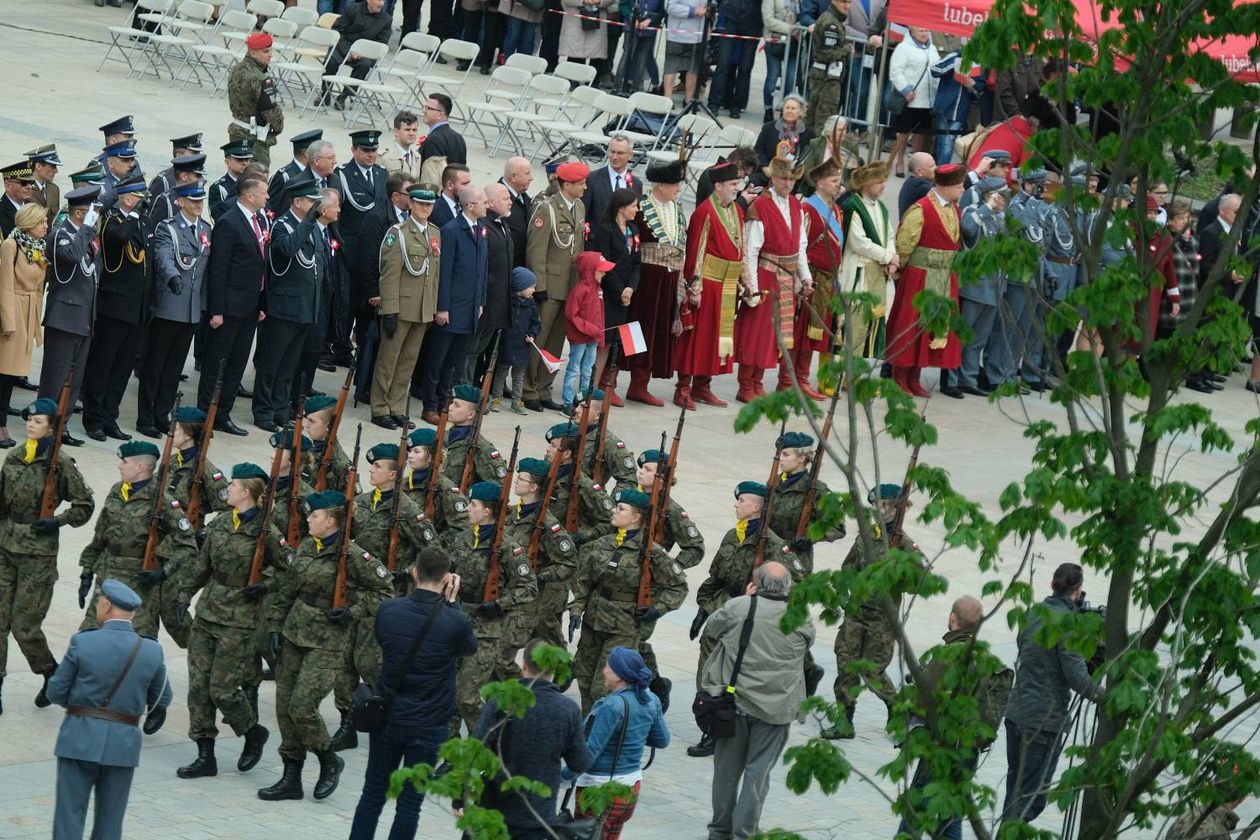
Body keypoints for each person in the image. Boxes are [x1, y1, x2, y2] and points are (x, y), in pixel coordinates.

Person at [258, 490, 393, 802]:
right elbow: (287, 590)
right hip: (294, 634)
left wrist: (353, 612)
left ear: (331, 521)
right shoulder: (307, 546)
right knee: (284, 707)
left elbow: (384, 591)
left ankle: (329, 759)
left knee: (302, 707)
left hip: (328, 641)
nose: (307, 520)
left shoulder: (355, 556)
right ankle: (291, 776)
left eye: (314, 516)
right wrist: (276, 625)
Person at [348, 547, 477, 839]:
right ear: (446, 578)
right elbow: (469, 648)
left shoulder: (389, 610)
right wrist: (454, 603)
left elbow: (383, 641)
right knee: (410, 804)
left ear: (415, 572)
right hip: (428, 723)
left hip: (389, 717)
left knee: (372, 795)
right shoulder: (455, 621)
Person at [174, 462, 281, 780]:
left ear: (246, 492)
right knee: (199, 688)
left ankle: (252, 732)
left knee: (222, 688)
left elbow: (288, 571)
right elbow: (202, 563)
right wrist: (183, 595)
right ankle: (204, 754)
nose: (227, 490)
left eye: (232, 486)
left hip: (241, 619)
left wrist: (265, 584)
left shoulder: (267, 532)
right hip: (208, 611)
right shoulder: (221, 522)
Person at [330, 442, 440, 752]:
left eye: (377, 467)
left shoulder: (407, 510)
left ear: (393, 473)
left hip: (384, 596)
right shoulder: (362, 503)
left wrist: (407, 571)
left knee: (370, 661)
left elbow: (432, 551)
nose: (372, 471)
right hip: (352, 592)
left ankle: (390, 718)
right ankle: (346, 722)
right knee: (344, 660)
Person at [47, 579, 172, 840]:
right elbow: (162, 697)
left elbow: (55, 692)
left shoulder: (83, 642)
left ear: (106, 604)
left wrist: (80, 708)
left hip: (79, 738)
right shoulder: (151, 649)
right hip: (122, 744)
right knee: (110, 821)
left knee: (69, 817)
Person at [702, 561, 814, 838]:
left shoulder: (740, 607)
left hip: (735, 705)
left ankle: (719, 831)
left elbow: (712, 630)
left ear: (756, 583)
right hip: (777, 711)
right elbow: (808, 644)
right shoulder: (800, 616)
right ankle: (744, 833)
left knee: (726, 774)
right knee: (757, 776)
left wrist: (746, 598)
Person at [0, 398, 94, 714]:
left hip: (37, 555)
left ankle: (50, 672)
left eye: (38, 421)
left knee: (24, 627)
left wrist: (57, 520)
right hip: (6, 547)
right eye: (29, 419)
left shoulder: (62, 464)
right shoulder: (14, 457)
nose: (30, 424)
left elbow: (84, 506)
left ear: (52, 428)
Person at [1001, 562, 1103, 825]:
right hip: (1043, 722)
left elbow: (1023, 644)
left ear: (1052, 584)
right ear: (1078, 591)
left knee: (1016, 792)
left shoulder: (1034, 612)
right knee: (1030, 799)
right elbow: (1078, 677)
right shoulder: (1068, 625)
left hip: (1017, 713)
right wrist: (1106, 696)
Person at [569, 489, 686, 713]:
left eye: (621, 508)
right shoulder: (603, 543)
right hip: (593, 621)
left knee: (602, 686)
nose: (614, 510)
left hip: (623, 626)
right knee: (583, 676)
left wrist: (657, 609)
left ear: (636, 517)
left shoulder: (652, 553)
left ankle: (600, 733)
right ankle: (588, 727)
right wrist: (576, 610)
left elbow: (677, 586)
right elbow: (584, 580)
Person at [820, 482, 921, 740]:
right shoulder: (866, 535)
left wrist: (902, 568)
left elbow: (917, 584)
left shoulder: (905, 545)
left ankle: (896, 709)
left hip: (882, 619)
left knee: (872, 671)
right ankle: (845, 720)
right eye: (875, 507)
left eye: (882, 507)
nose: (878, 512)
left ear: (894, 509)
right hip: (856, 612)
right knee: (846, 664)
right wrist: (842, 596)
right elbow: (848, 568)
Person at [78, 441, 200, 647]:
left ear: (140, 467)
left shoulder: (163, 502)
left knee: (138, 643)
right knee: (89, 636)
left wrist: (162, 573)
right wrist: (87, 571)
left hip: (140, 581)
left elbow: (188, 546)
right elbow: (100, 536)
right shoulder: (117, 490)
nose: (119, 466)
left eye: (124, 462)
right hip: (107, 576)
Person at [896, 595, 998, 840]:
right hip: (969, 750)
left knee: (916, 808)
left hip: (942, 748)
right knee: (950, 813)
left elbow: (924, 702)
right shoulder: (985, 658)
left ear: (953, 618)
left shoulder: (948, 655)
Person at [476, 638, 590, 838]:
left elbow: (476, 751)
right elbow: (579, 763)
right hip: (538, 812)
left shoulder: (500, 701)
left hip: (495, 806)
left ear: (523, 665)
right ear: (553, 670)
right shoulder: (568, 710)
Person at [447, 480, 537, 732]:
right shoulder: (463, 538)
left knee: (466, 696)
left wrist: (500, 604)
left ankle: (489, 744)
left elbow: (528, 587)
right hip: (458, 622)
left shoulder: (508, 548)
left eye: (473, 504)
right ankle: (453, 752)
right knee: (448, 695)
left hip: (487, 631)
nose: (467, 509)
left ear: (487, 511)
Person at [568, 646, 670, 838]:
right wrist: (634, 733)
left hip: (599, 790)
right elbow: (662, 740)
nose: (603, 670)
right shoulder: (651, 700)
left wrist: (564, 776)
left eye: (608, 666)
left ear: (619, 675)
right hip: (629, 790)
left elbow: (588, 754)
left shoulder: (611, 706)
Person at [253, 178, 328, 433]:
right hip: (284, 306)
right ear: (297, 202)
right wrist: (308, 222)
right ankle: (263, 410)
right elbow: (287, 249)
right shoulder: (282, 226)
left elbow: (318, 265)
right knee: (271, 364)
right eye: (311, 202)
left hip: (306, 306)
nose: (315, 207)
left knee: (289, 366)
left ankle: (280, 408)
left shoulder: (313, 227)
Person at [736, 156, 812, 402]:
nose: (788, 183)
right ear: (773, 178)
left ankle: (758, 382)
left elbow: (800, 245)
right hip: (766, 276)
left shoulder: (795, 206)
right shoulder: (760, 205)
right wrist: (753, 287)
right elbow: (750, 250)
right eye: (783, 178)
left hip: (787, 279)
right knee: (756, 332)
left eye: (792, 179)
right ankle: (745, 384)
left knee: (774, 334)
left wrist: (805, 277)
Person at [140, 181, 213, 438]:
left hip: (191, 310)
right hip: (169, 306)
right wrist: (173, 277)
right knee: (155, 365)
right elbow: (163, 256)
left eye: (200, 200)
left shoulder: (205, 229)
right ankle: (145, 417)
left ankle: (162, 414)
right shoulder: (168, 228)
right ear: (180, 201)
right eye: (192, 200)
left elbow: (206, 273)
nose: (198, 204)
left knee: (173, 369)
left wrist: (205, 307)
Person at [887, 162, 965, 397]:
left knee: (930, 328)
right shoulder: (920, 209)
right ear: (947, 187)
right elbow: (904, 243)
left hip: (943, 277)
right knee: (911, 325)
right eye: (959, 186)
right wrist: (900, 269)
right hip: (920, 276)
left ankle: (915, 376)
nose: (963, 190)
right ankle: (899, 376)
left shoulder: (953, 208)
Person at [201, 175, 269, 437]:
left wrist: (261, 303)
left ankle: (223, 415)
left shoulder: (258, 220)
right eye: (263, 193)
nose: (267, 197)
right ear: (249, 196)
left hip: (250, 307)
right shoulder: (229, 222)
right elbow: (219, 269)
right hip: (228, 308)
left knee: (237, 364)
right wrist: (216, 310)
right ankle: (205, 415)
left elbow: (260, 264)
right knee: (216, 364)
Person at [82, 176, 148, 443]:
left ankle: (110, 416)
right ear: (128, 198)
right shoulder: (111, 221)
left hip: (135, 308)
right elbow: (119, 239)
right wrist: (132, 215)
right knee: (103, 365)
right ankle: (94, 418)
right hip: (113, 306)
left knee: (121, 368)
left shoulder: (140, 223)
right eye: (139, 198)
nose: (144, 203)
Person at [675, 161, 744, 408]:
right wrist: (695, 287)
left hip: (728, 284)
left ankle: (703, 386)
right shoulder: (704, 212)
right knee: (697, 338)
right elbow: (696, 251)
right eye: (733, 184)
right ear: (718, 186)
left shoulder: (736, 210)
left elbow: (740, 246)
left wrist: (743, 282)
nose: (738, 188)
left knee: (718, 339)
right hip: (709, 284)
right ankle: (683, 387)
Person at [40, 185, 102, 448]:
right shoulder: (61, 235)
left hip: (85, 317)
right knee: (55, 378)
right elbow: (73, 257)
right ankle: (43, 427)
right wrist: (86, 228)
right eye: (91, 213)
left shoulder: (86, 236)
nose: (95, 218)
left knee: (73, 380)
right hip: (64, 316)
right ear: (80, 214)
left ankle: (61, 427)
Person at [524, 162, 589, 411]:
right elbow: (536, 249)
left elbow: (578, 247)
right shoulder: (546, 209)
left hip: (570, 285)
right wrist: (538, 284)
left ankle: (543, 387)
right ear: (567, 184)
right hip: (549, 285)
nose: (585, 187)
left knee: (555, 340)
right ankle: (529, 389)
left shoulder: (579, 206)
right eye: (581, 183)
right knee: (539, 339)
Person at [420, 185, 488, 419]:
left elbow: (482, 269)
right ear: (470, 205)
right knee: (437, 360)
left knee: (456, 363)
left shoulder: (480, 229)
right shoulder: (451, 230)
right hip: (451, 307)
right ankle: (430, 404)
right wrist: (442, 307)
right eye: (483, 202)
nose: (487, 205)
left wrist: (480, 301)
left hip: (469, 308)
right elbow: (445, 272)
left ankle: (447, 402)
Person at [373, 186, 440, 426]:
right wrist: (389, 310)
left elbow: (434, 275)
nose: (425, 209)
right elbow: (389, 274)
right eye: (421, 204)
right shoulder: (398, 233)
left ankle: (397, 406)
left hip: (421, 309)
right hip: (400, 308)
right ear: (410, 204)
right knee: (388, 360)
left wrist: (431, 308)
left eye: (429, 205)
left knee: (407, 362)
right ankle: (381, 408)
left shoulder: (434, 232)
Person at [628, 160, 689, 408]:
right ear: (661, 185)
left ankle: (640, 384)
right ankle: (611, 379)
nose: (679, 189)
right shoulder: (641, 207)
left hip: (669, 279)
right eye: (675, 184)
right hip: (645, 278)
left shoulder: (678, 209)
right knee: (636, 328)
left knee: (658, 333)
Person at [507, 458, 578, 647]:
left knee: (543, 632)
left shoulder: (547, 524)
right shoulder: (513, 514)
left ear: (533, 487)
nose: (516, 481)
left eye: (521, 479)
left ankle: (563, 666)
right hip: (513, 589)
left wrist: (540, 576)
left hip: (537, 595)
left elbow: (569, 563)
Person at [0, 205, 50, 444]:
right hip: (14, 311)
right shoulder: (12, 245)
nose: (46, 226)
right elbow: (5, 285)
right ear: (29, 222)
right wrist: (9, 322)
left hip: (28, 311)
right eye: (42, 222)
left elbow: (39, 288)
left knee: (13, 374)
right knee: (3, 372)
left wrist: (35, 324)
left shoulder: (38, 247)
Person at [957, 177, 1009, 396]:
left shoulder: (1000, 219)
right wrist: (988, 206)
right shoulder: (975, 211)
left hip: (994, 287)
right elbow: (968, 228)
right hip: (974, 286)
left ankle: (968, 378)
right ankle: (954, 378)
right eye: (1002, 195)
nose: (1006, 200)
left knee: (979, 338)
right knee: (963, 336)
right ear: (991, 195)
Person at [798, 158, 845, 397]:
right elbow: (801, 246)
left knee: (823, 331)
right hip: (813, 279)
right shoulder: (807, 208)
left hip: (831, 281)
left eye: (839, 180)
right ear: (820, 182)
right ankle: (799, 379)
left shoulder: (837, 210)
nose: (839, 185)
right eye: (834, 181)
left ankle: (808, 378)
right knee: (807, 332)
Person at [590, 188, 641, 404]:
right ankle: (590, 386)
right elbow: (605, 264)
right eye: (633, 206)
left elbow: (637, 263)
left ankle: (606, 384)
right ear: (621, 207)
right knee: (602, 341)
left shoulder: (634, 230)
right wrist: (620, 290)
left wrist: (630, 288)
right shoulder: (605, 230)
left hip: (626, 295)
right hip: (610, 294)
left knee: (614, 343)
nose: (637, 210)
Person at [466, 183, 516, 386]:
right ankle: (463, 392)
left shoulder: (502, 225)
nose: (510, 201)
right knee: (469, 350)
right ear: (492, 202)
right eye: (505, 198)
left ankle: (472, 388)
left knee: (479, 350)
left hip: (498, 304)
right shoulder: (482, 226)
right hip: (483, 302)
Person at [542, 421, 615, 547]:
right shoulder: (545, 472)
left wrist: (581, 536)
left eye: (553, 446)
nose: (548, 449)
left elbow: (610, 521)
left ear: (567, 454)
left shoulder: (583, 485)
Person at [320, 0, 393, 111]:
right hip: (344, 47)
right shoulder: (352, 9)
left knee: (365, 65)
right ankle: (325, 93)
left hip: (366, 53)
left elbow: (382, 43)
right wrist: (348, 51)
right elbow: (338, 31)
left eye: (383, 0)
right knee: (331, 60)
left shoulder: (386, 19)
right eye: (378, 0)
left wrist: (362, 53)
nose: (382, 4)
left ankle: (344, 96)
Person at [402, 427, 471, 544]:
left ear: (430, 456)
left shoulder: (444, 487)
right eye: (410, 451)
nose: (410, 455)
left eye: (416, 451)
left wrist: (436, 543)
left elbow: (463, 524)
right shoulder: (404, 483)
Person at [888, 27, 940, 178]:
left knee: (920, 133)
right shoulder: (903, 48)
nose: (925, 33)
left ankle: (916, 163)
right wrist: (905, 90)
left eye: (926, 31)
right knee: (903, 132)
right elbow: (895, 71)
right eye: (921, 31)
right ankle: (900, 162)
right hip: (910, 98)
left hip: (927, 99)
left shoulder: (933, 48)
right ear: (912, 31)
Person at [227, 33, 283, 170]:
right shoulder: (262, 79)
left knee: (238, 176)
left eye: (270, 50)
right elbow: (271, 112)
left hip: (236, 131)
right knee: (256, 180)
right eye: (265, 51)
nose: (270, 55)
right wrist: (278, 127)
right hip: (255, 139)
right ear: (252, 52)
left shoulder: (236, 70)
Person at [563, 252, 610, 407]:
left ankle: (583, 400)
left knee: (588, 370)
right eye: (600, 270)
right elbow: (571, 315)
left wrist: (600, 337)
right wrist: (591, 329)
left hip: (593, 339)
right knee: (574, 369)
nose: (604, 273)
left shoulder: (598, 290)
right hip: (580, 339)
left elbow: (601, 316)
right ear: (590, 270)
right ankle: (567, 402)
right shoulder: (580, 290)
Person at [494, 268, 542, 415]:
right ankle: (496, 398)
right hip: (507, 343)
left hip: (522, 345)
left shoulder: (531, 305)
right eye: (531, 287)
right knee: (501, 372)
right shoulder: (507, 303)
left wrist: (532, 334)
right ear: (520, 287)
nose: (534, 290)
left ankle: (516, 401)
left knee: (519, 375)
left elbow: (536, 324)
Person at [440, 384, 509, 486]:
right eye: (451, 403)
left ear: (471, 414)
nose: (450, 407)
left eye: (456, 405)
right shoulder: (443, 436)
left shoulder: (482, 447)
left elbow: (498, 487)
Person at [804, 0, 854, 137]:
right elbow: (827, 53)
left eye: (850, 2)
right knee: (823, 121)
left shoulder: (835, 21)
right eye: (844, 1)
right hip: (826, 79)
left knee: (815, 119)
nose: (847, 6)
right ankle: (816, 154)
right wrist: (847, 50)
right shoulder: (830, 23)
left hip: (828, 77)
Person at [706, 0, 761, 119]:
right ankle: (714, 103)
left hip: (754, 21)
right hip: (731, 16)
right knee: (723, 64)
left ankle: (737, 105)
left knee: (745, 68)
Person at [583, 135, 643, 227]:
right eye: (612, 152)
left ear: (630, 155)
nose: (614, 157)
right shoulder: (592, 179)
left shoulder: (636, 184)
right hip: (597, 239)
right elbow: (584, 214)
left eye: (620, 153)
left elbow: (635, 219)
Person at [760, 0, 802, 124]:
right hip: (774, 40)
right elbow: (768, 19)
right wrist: (791, 29)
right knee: (772, 76)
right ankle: (768, 110)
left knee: (790, 79)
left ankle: (785, 112)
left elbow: (803, 16)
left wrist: (799, 28)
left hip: (794, 43)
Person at [798, 116, 859, 197]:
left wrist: (845, 188)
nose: (843, 133)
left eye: (844, 129)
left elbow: (855, 175)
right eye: (839, 130)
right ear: (829, 131)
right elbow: (808, 170)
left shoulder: (851, 147)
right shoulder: (815, 144)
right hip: (816, 189)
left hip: (842, 192)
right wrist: (820, 186)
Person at [753, 96, 814, 175]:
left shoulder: (808, 133)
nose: (789, 111)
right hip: (768, 171)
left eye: (793, 108)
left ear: (801, 112)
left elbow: (806, 157)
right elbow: (758, 150)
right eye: (787, 108)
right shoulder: (768, 127)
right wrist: (765, 168)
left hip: (793, 175)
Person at [662, 0, 707, 104]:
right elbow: (669, 6)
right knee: (671, 66)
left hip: (698, 35)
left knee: (693, 68)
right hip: (677, 34)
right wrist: (692, 11)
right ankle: (667, 100)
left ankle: (688, 101)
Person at [419, 94, 468, 175]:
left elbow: (433, 175)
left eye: (428, 108)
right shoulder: (458, 137)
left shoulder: (434, 139)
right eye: (424, 107)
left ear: (440, 115)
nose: (424, 111)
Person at [498, 157, 534, 267]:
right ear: (513, 177)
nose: (531, 178)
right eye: (527, 174)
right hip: (507, 267)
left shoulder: (523, 197)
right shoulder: (497, 199)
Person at [209, 139, 255, 221]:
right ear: (227, 162)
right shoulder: (218, 188)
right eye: (239, 159)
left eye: (247, 159)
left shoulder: (255, 183)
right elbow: (219, 217)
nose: (245, 163)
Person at [376, 111, 423, 180]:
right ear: (396, 132)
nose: (411, 133)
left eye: (414, 130)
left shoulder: (417, 156)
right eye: (407, 130)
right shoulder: (384, 158)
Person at [26, 144, 63, 231]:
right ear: (38, 166)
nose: (56, 171)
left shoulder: (54, 189)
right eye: (52, 166)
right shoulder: (25, 189)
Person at [897, 152, 936, 217]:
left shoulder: (910, 182)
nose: (936, 168)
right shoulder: (922, 187)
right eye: (931, 166)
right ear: (919, 172)